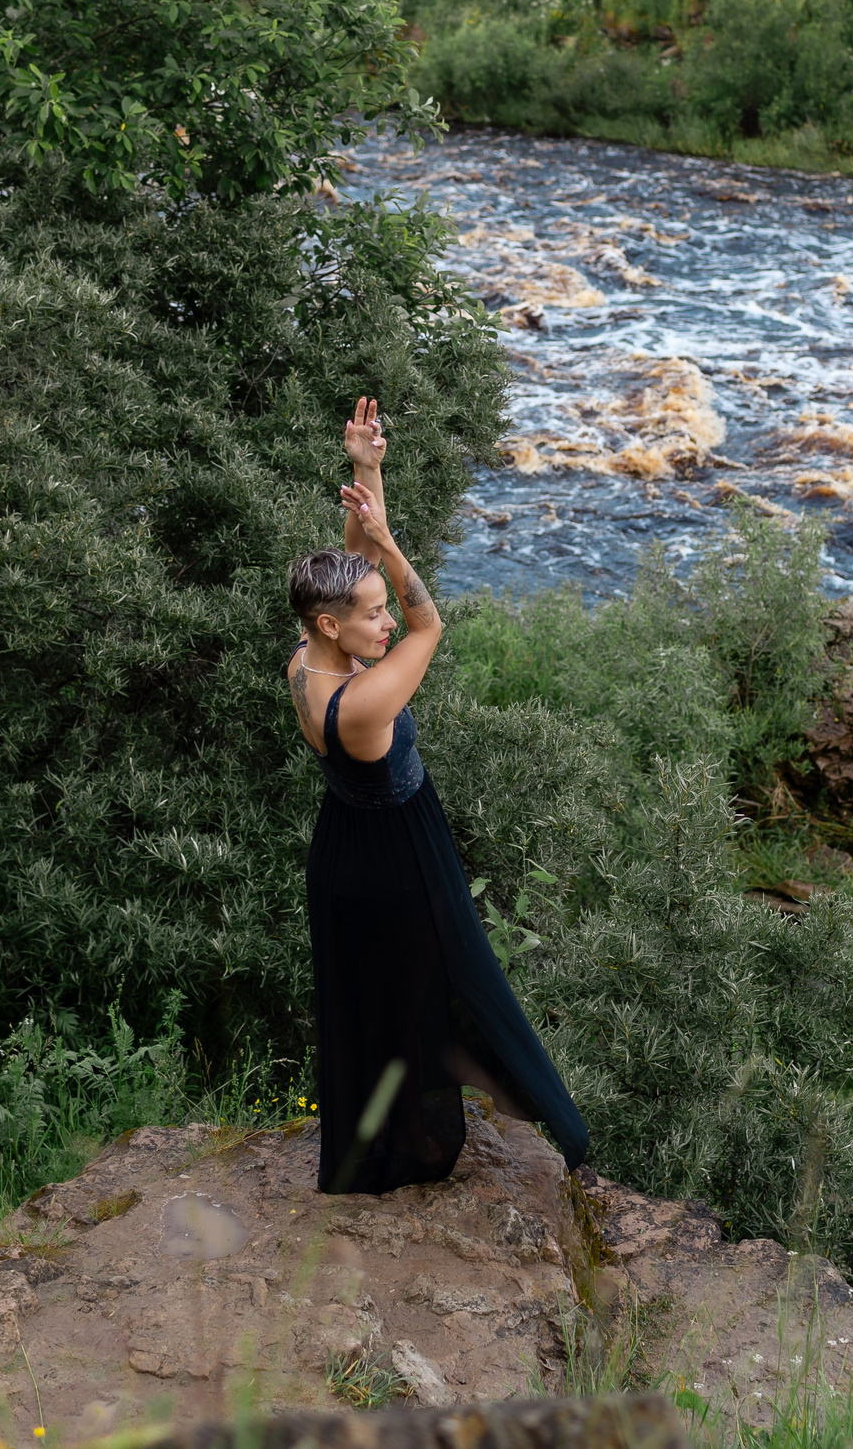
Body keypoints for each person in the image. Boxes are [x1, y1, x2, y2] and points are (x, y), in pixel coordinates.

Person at [285, 398, 589, 1193]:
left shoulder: (307, 663)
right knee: (437, 990)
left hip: (343, 847)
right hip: (397, 860)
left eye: (379, 611)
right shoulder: (364, 707)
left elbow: (356, 586)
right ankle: (422, 1147)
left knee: (370, 1002)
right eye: (369, 617)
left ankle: (374, 1141)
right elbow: (428, 625)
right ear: (331, 624)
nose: (384, 622)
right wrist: (386, 541)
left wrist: (366, 471)